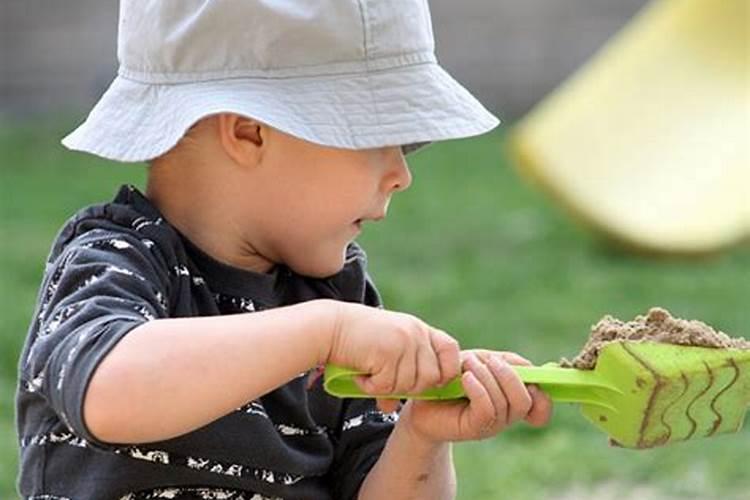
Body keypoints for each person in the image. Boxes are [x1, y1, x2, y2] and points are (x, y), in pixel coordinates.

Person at [15, 1, 552, 499]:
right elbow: (110, 395)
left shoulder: (338, 298)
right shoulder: (115, 258)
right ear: (250, 133)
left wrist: (421, 434)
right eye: (379, 139)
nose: (401, 175)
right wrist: (322, 332)